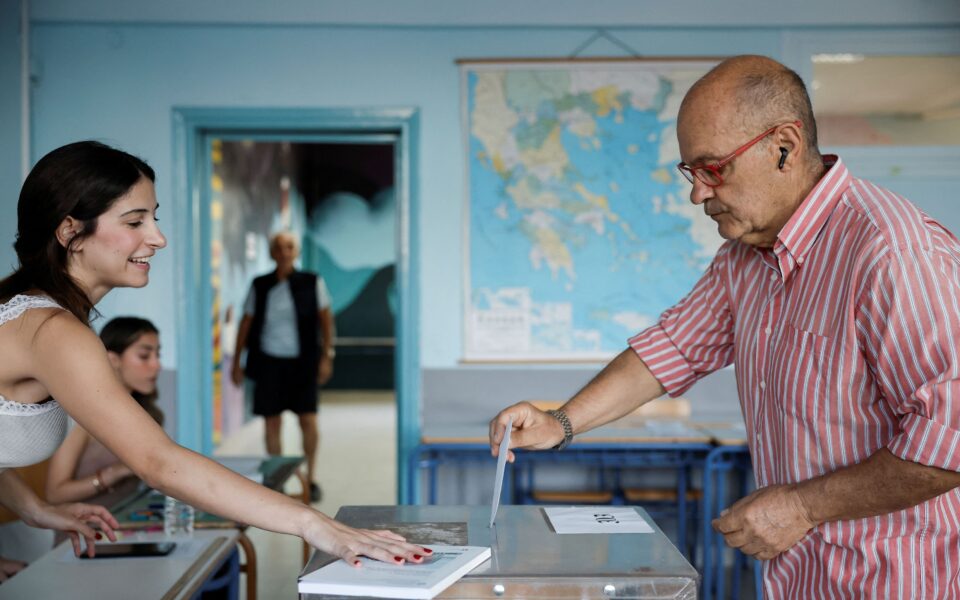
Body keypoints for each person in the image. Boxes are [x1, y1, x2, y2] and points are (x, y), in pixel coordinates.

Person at [489, 55, 960, 597]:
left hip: (900, 580)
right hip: (801, 577)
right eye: (692, 172)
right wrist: (560, 422)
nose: (698, 194)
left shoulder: (895, 253)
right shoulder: (745, 257)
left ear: (783, 146)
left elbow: (949, 439)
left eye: (715, 169)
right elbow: (672, 349)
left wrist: (802, 506)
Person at [0, 140, 428, 567]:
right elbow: (158, 462)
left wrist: (34, 509)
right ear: (70, 232)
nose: (158, 238)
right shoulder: (52, 331)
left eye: (155, 218)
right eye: (135, 221)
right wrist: (314, 524)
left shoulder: (44, 319)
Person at [231, 231, 334, 503]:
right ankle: (278, 481)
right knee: (272, 422)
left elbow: (326, 319)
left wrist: (327, 355)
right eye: (278, 247)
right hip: (268, 362)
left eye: (289, 247)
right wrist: (236, 361)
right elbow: (247, 321)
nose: (284, 252)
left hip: (303, 362)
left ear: (296, 251)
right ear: (272, 253)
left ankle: (309, 479)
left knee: (307, 420)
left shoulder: (312, 282)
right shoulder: (260, 284)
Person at [45, 317, 163, 508]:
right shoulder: (81, 415)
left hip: (131, 531)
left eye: (158, 355)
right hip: (85, 534)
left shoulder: (148, 415)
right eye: (144, 356)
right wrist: (118, 472)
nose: (157, 365)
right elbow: (54, 494)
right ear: (113, 359)